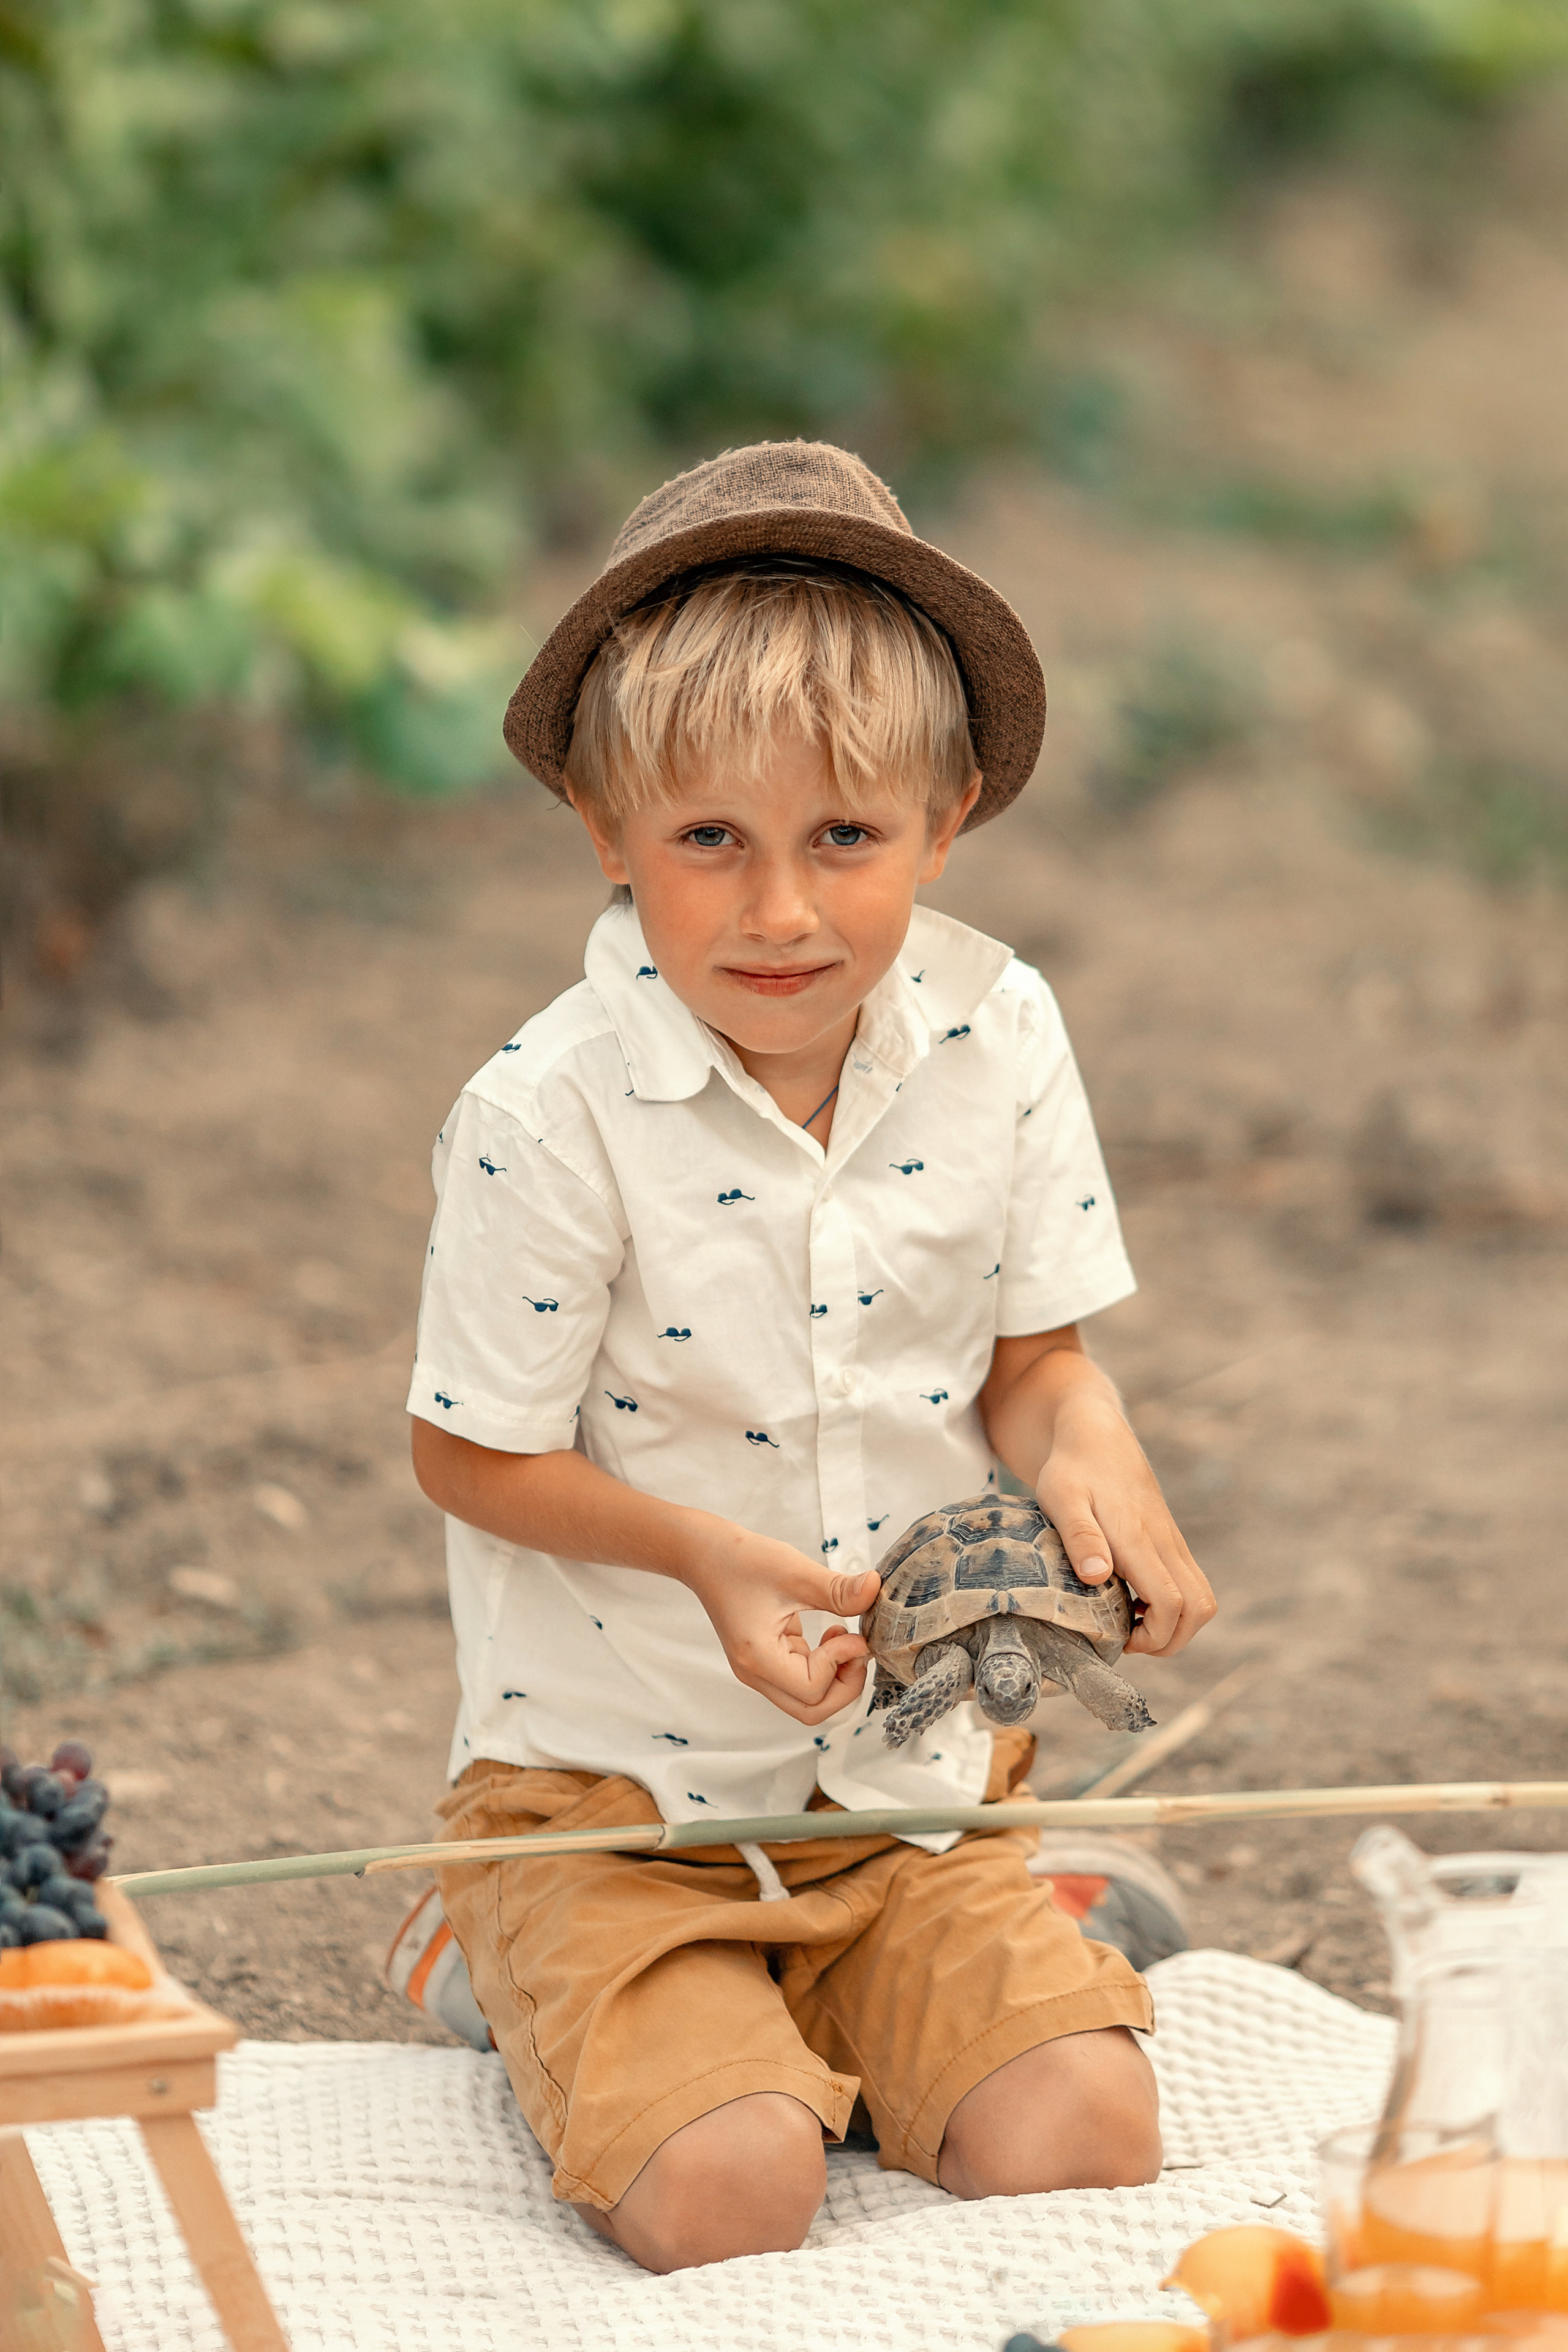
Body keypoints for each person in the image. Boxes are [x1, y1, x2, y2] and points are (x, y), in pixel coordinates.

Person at [396, 440, 1216, 2274]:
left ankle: (924, 1963)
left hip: (904, 1788)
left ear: (952, 817)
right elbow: (469, 1455)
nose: (780, 913)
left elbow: (1038, 1363)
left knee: (1085, 2135)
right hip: (618, 1804)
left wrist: (1093, 1452)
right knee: (728, 2189)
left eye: (845, 839)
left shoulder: (1001, 1034)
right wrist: (707, 1555)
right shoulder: (551, 1115)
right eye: (711, 842)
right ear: (611, 834)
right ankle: (499, 1948)